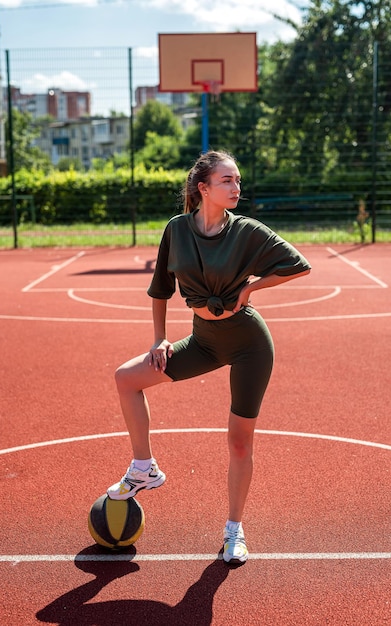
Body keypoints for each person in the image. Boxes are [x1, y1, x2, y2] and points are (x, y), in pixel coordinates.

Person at [107, 150, 311, 565]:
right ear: (204, 188)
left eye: (237, 181)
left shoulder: (248, 231)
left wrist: (250, 289)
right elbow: (160, 289)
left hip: (250, 345)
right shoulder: (177, 229)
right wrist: (160, 339)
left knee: (238, 443)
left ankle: (234, 530)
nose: (237, 188)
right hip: (203, 341)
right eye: (227, 181)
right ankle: (144, 466)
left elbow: (299, 265)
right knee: (127, 377)